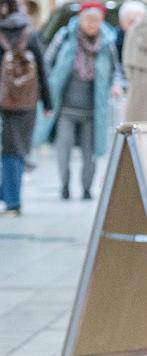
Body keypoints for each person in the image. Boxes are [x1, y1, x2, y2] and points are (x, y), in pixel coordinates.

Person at [33, 1, 120, 200]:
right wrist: (46, 92)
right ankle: (64, 185)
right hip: (65, 107)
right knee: (63, 148)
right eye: (88, 19)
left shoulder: (107, 41)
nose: (91, 24)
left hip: (93, 109)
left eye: (96, 20)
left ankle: (87, 188)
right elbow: (47, 63)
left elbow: (116, 70)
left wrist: (115, 85)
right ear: (80, 19)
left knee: (91, 152)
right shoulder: (64, 36)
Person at [0, 0, 51, 216]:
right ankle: (13, 201)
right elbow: (41, 68)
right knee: (16, 150)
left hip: (5, 99)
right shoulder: (28, 31)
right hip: (24, 101)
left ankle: (9, 197)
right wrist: (48, 102)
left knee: (10, 151)